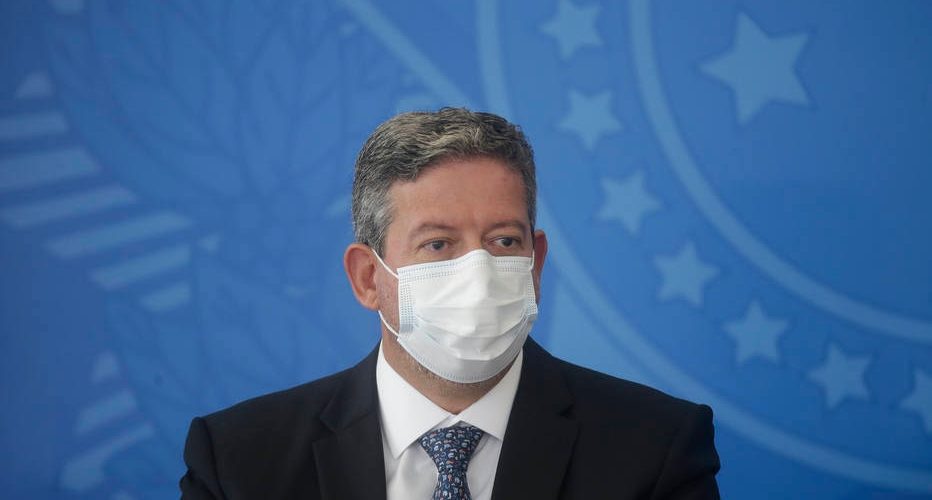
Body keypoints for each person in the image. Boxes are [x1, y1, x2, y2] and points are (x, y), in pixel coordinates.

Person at [180, 108, 721, 499]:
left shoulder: (655, 449)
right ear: (368, 278)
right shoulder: (240, 462)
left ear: (535, 264)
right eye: (438, 244)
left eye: (503, 241)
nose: (478, 273)